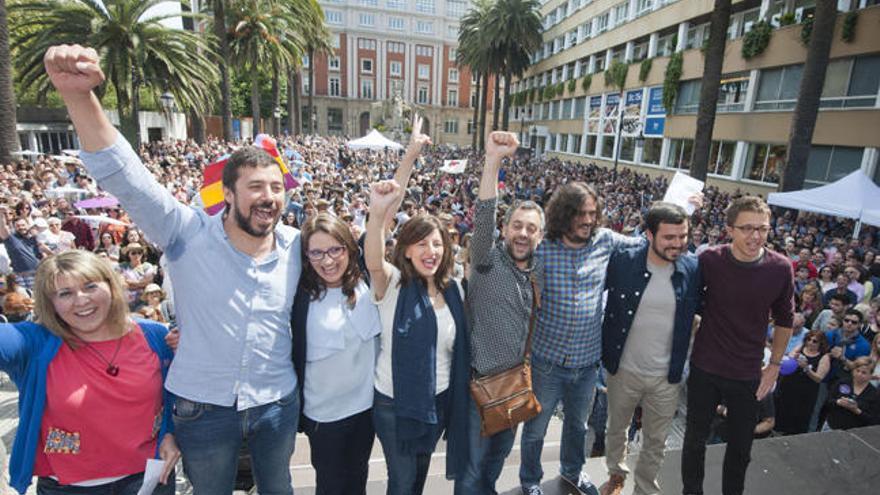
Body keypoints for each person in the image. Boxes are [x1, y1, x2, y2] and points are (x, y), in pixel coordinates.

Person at [46, 44, 302, 494]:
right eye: (256, 186)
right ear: (227, 193)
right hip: (202, 408)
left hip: (277, 403)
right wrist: (79, 98)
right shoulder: (185, 233)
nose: (270, 197)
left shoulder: (299, 247)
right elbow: (128, 178)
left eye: (277, 187)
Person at [0, 250, 178, 494]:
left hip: (149, 480)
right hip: (69, 488)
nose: (81, 300)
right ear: (50, 303)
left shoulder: (155, 336)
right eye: (65, 293)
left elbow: (177, 394)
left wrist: (170, 432)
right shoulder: (34, 343)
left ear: (111, 285)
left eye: (90, 286)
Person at [518, 182, 648, 495]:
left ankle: (573, 473)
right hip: (547, 361)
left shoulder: (605, 240)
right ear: (564, 215)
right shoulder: (543, 247)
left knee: (577, 427)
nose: (588, 220)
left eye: (592, 213)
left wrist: (683, 206)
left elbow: (643, 244)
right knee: (535, 429)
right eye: (581, 214)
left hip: (588, 364)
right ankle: (530, 480)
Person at [681, 196, 794, 495]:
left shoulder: (781, 268)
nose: (755, 236)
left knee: (740, 450)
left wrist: (774, 366)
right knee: (694, 441)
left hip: (747, 373)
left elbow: (785, 318)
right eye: (747, 228)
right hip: (705, 367)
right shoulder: (709, 260)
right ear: (730, 230)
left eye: (763, 229)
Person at [365, 179, 471, 495]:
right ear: (407, 250)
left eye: (437, 244)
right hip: (394, 404)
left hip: (437, 402)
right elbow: (372, 259)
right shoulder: (394, 284)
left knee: (420, 475)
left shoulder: (454, 290)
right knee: (402, 481)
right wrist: (377, 212)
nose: (431, 251)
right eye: (422, 244)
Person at [457, 132, 545, 495]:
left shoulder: (541, 271)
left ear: (540, 236)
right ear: (505, 230)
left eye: (531, 228)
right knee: (472, 471)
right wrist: (493, 159)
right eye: (517, 226)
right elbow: (484, 215)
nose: (523, 234)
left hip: (515, 387)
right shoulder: (486, 261)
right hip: (479, 388)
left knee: (495, 464)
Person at [599, 202, 700, 495]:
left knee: (656, 441)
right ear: (649, 234)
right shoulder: (623, 261)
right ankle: (616, 476)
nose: (678, 244)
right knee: (617, 429)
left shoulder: (692, 267)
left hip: (666, 376)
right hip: (624, 369)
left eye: (683, 236)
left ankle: (645, 489)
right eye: (669, 237)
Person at [290, 213, 382, 495]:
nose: (327, 261)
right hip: (323, 418)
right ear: (306, 256)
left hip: (365, 411)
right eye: (316, 252)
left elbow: (380, 224)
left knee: (357, 483)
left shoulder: (367, 280)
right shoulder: (298, 295)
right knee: (330, 486)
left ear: (349, 249)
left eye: (335, 249)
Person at [774, 330, 831, 435]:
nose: (810, 343)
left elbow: (818, 378)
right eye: (809, 339)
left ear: (820, 343)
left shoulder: (824, 357)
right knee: (783, 409)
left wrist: (806, 368)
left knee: (800, 415)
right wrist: (793, 357)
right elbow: (789, 359)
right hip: (790, 384)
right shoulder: (800, 348)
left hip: (806, 390)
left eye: (815, 341)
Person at [825, 356, 880, 430]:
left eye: (864, 373)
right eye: (857, 370)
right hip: (831, 426)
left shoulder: (874, 394)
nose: (859, 374)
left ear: (870, 375)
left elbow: (874, 420)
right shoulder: (842, 382)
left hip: (855, 432)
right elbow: (828, 401)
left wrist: (857, 411)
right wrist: (838, 402)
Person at [0, 209, 42, 290]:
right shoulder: (11, 239)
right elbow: (2, 228)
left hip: (38, 274)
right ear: (14, 227)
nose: (21, 227)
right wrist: (1, 214)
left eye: (23, 225)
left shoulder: (34, 239)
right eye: (18, 226)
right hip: (20, 277)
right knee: (25, 300)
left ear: (28, 225)